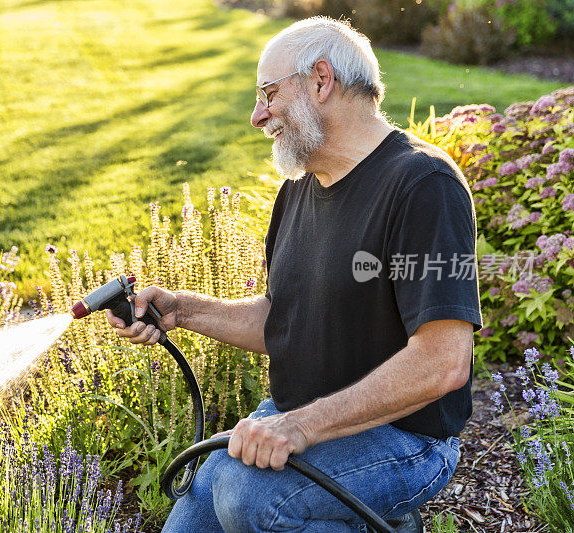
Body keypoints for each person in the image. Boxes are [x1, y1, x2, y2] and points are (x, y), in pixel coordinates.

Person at [107, 16, 482, 533]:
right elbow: (284, 322)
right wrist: (185, 311)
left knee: (248, 500)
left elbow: (443, 365)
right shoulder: (299, 191)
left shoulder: (425, 186)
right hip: (304, 416)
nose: (257, 116)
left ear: (321, 81)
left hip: (406, 440)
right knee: (196, 510)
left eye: (268, 93)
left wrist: (299, 426)